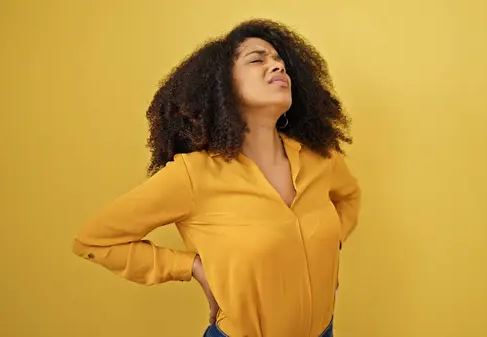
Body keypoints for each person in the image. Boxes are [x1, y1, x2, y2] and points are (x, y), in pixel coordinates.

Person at [72, 18, 361, 337]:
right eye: (257, 59)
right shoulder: (193, 175)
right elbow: (94, 241)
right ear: (223, 86)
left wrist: (327, 250)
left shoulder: (321, 158)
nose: (277, 66)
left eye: (280, 61)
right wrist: (191, 267)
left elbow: (348, 197)